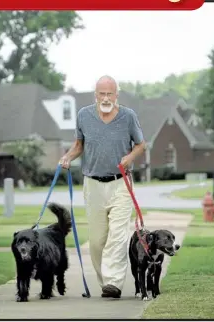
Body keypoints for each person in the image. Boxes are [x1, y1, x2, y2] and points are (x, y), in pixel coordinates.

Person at [59, 75, 146, 299]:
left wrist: (130, 157)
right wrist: (68, 157)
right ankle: (105, 281)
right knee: (97, 241)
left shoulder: (128, 117)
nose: (106, 98)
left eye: (110, 94)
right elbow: (79, 145)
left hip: (121, 182)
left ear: (116, 95)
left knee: (118, 236)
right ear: (95, 95)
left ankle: (113, 284)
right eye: (102, 94)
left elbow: (141, 145)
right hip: (93, 184)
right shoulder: (83, 116)